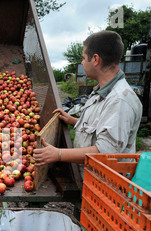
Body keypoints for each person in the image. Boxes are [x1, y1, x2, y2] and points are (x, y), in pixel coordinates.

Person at [34, 31, 142, 176]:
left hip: (105, 187)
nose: (82, 63)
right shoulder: (103, 90)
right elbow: (100, 127)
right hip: (92, 180)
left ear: (95, 59)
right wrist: (73, 121)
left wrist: (58, 154)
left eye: (84, 58)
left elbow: (106, 151)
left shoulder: (119, 100)